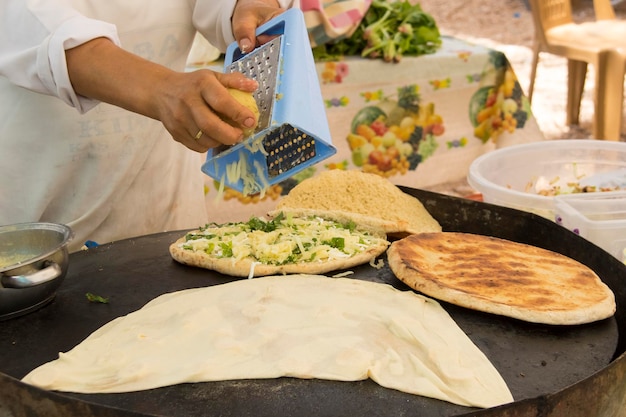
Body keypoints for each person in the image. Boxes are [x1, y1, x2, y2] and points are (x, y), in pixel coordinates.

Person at [0, 0, 296, 252]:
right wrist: (164, 90)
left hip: (162, 200)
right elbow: (46, 32)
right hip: (35, 227)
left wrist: (251, 5)